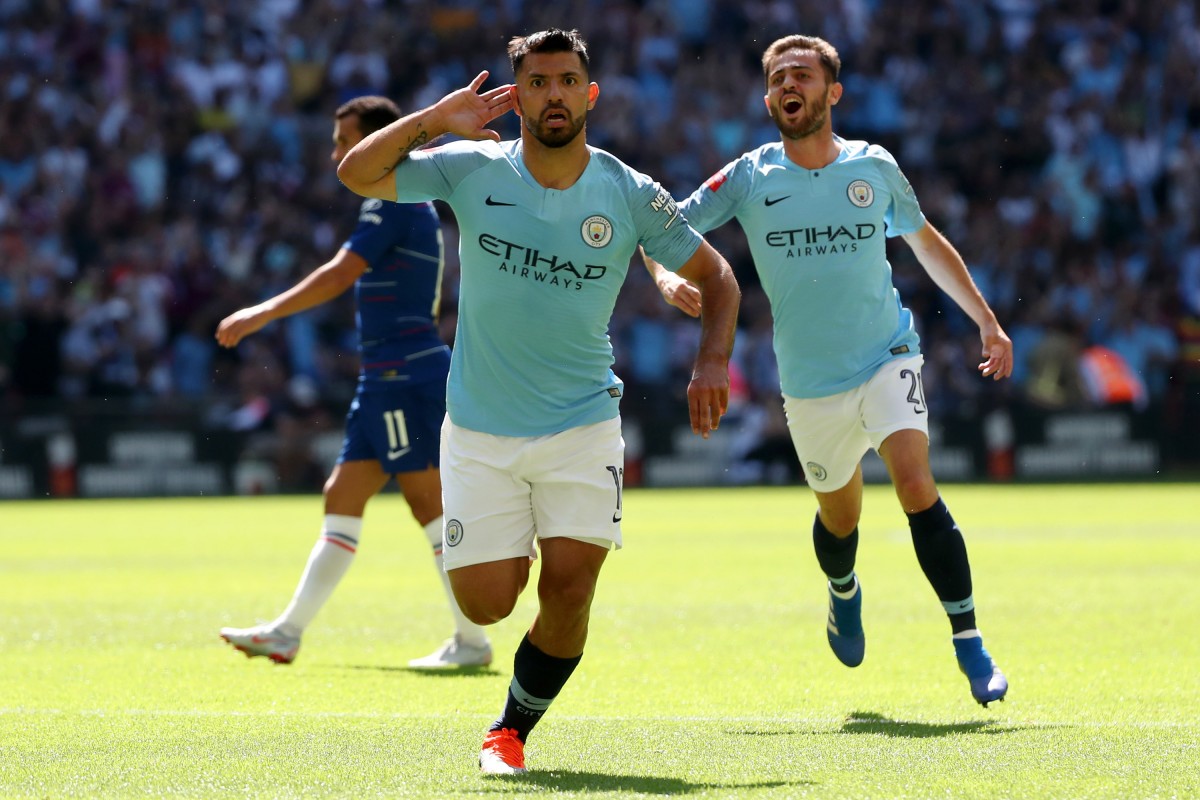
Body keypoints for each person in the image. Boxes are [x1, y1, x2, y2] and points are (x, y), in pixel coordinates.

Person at [337, 29, 740, 774]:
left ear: (590, 94)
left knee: (570, 592)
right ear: (516, 95)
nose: (553, 93)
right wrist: (432, 119)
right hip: (481, 432)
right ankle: (513, 547)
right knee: (490, 603)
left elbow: (719, 278)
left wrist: (711, 360)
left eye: (566, 80)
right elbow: (357, 173)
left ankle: (510, 730)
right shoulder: (469, 169)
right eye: (538, 81)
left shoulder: (628, 191)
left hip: (582, 426)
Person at [646, 35, 1011, 707]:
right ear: (767, 99)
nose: (791, 82)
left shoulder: (872, 167)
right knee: (840, 520)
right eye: (779, 75)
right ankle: (844, 592)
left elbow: (925, 242)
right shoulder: (750, 177)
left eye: (803, 74)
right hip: (810, 383)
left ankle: (969, 640)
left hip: (886, 354)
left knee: (914, 483)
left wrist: (985, 319)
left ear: (831, 93)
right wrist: (666, 274)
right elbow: (660, 224)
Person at [215, 96, 493, 670]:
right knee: (342, 495)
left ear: (379, 141)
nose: (337, 152)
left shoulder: (393, 199)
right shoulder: (399, 201)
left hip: (405, 375)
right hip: (386, 376)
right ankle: (288, 631)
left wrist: (260, 313)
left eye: (346, 140)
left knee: (427, 504)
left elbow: (341, 273)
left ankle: (472, 640)